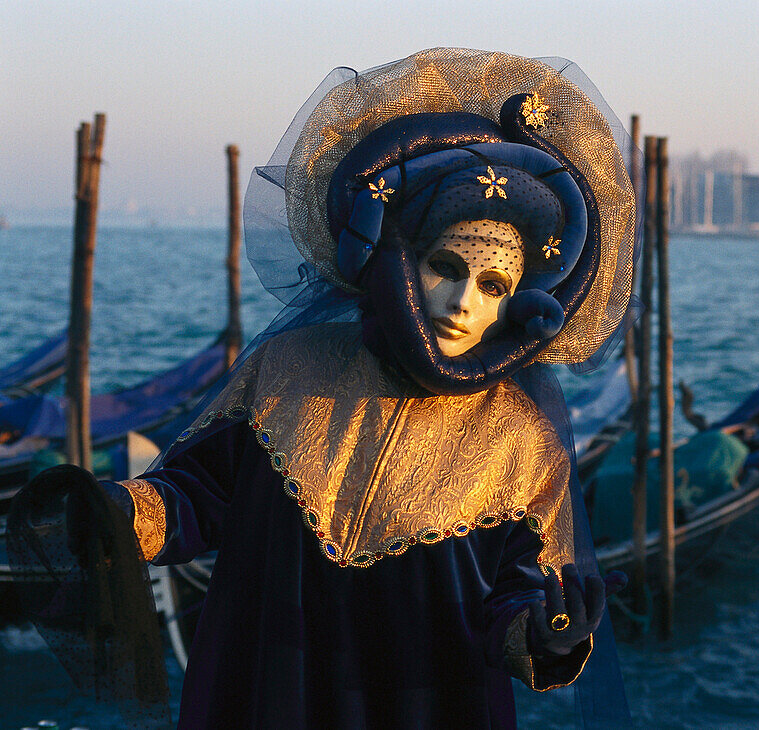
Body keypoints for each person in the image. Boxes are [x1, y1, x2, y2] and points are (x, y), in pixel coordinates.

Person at [9, 48, 637, 729]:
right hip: (266, 695)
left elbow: (519, 595)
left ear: (520, 303)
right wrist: (115, 513)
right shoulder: (288, 368)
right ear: (401, 259)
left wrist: (544, 634)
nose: (462, 301)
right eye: (445, 266)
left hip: (428, 707)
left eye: (492, 286)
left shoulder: (519, 437)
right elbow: (198, 495)